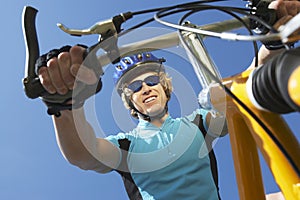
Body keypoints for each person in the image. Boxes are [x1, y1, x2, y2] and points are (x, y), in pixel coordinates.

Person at [36, 0, 299, 199]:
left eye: (151, 81)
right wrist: (65, 103)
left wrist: (272, 40)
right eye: (136, 87)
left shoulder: (197, 124)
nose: (146, 89)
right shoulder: (127, 145)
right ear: (130, 102)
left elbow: (247, 87)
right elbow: (84, 154)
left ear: (165, 87)